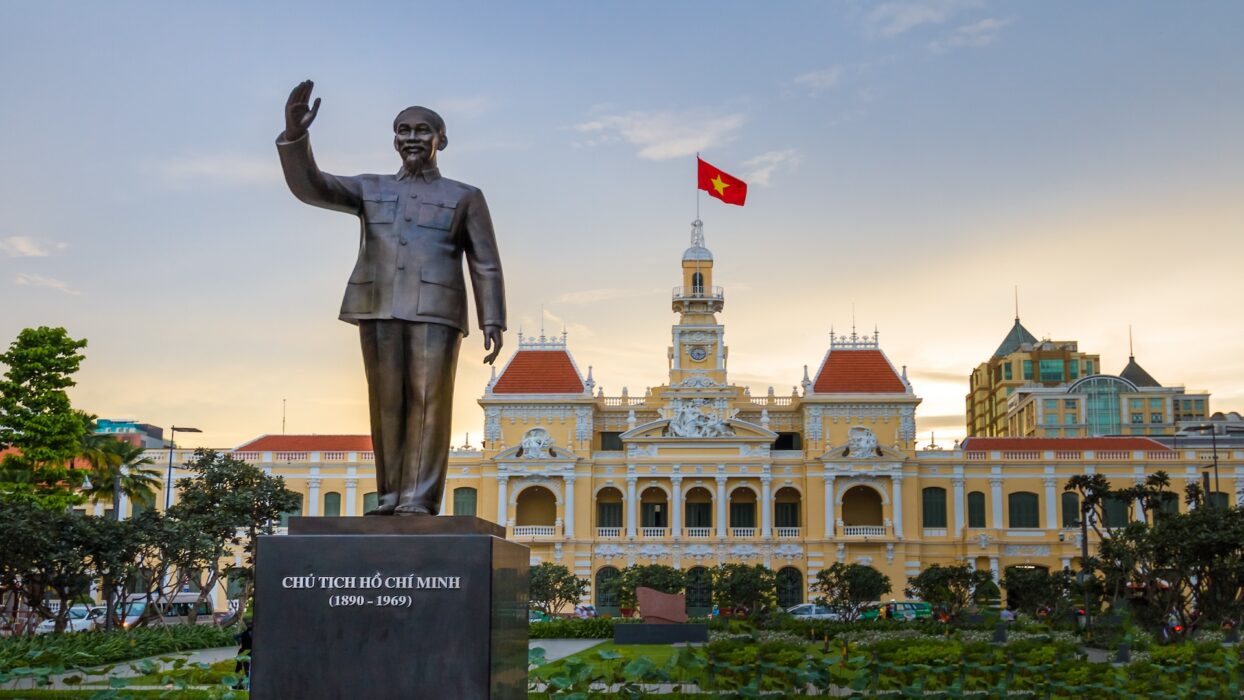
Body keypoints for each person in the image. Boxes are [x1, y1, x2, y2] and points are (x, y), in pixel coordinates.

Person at [277, 81, 506, 515]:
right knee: (385, 403)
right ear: (394, 139)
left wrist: (491, 316)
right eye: (403, 130)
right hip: (377, 305)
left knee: (429, 404)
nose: (412, 138)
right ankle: (389, 497)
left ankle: (419, 498)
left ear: (441, 139)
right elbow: (312, 186)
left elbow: (485, 261)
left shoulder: (464, 196)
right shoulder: (370, 188)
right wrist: (295, 137)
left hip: (436, 312)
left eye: (422, 130)